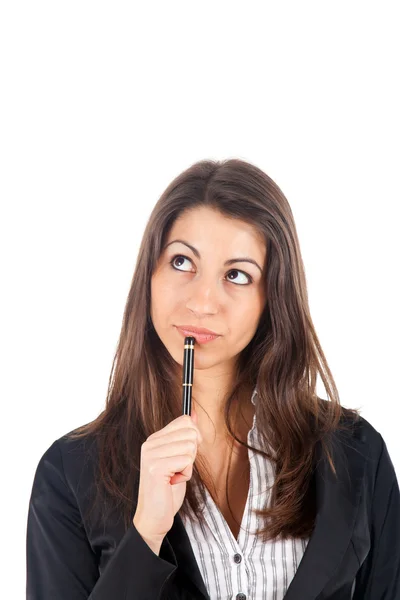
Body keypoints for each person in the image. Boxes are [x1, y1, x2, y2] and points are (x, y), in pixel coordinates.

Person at [26, 158, 400, 599]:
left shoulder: (357, 456)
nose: (202, 301)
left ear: (272, 296)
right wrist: (145, 534)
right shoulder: (68, 475)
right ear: (150, 274)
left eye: (237, 275)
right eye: (182, 262)